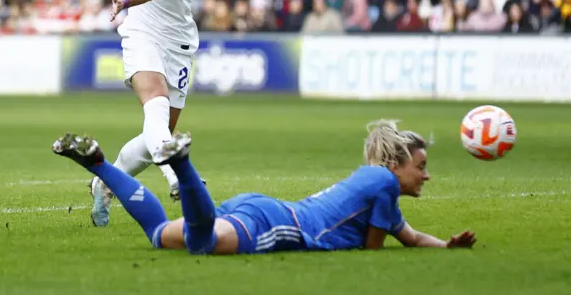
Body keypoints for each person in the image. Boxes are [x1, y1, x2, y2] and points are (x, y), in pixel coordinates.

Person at [51, 120, 477, 254]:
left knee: (162, 236)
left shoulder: (373, 182)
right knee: (200, 244)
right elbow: (373, 250)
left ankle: (100, 165)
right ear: (395, 165)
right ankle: (181, 163)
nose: (425, 175)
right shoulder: (382, 181)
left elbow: (411, 236)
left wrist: (446, 248)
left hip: (263, 208)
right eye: (420, 167)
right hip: (282, 223)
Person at [72, 0, 201, 227]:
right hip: (140, 32)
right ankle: (179, 178)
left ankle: (104, 180)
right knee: (155, 104)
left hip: (178, 43)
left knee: (156, 133)